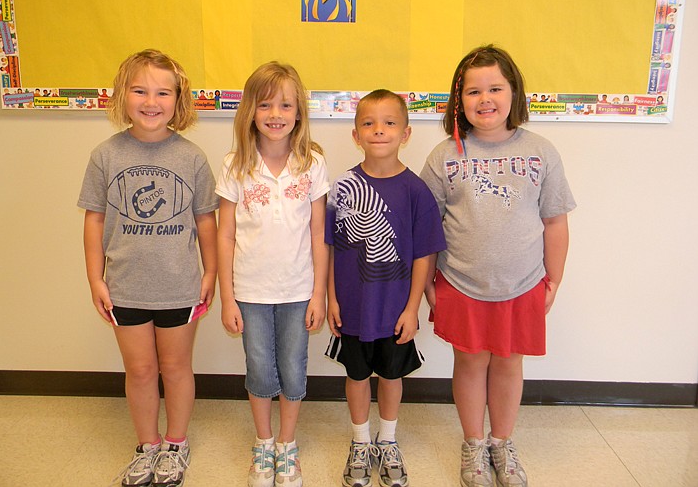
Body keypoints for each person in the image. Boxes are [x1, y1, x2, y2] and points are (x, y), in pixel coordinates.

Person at [420, 45, 576, 487]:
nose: (484, 99)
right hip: (459, 283)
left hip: (524, 282)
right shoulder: (443, 155)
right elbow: (427, 226)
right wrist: (429, 282)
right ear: (458, 99)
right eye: (473, 91)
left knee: (508, 364)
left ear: (514, 93)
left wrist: (555, 278)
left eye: (494, 88)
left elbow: (555, 220)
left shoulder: (540, 150)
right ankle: (473, 444)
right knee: (469, 364)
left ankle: (501, 444)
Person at [78, 49, 218, 487]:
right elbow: (95, 220)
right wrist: (95, 278)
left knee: (176, 368)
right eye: (140, 90)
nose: (151, 101)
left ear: (179, 100)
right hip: (125, 286)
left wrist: (210, 272)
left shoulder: (192, 157)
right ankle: (148, 445)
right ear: (122, 96)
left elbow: (206, 220)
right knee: (139, 370)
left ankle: (176, 443)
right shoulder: (106, 155)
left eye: (163, 92)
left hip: (179, 286)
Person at [216, 62, 329, 487]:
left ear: (299, 111)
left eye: (285, 104)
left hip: (299, 289)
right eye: (265, 104)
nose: (276, 113)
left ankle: (287, 444)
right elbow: (225, 236)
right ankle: (263, 444)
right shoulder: (235, 165)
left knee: (293, 369)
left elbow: (320, 233)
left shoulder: (312, 162)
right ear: (250, 110)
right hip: (250, 291)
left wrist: (319, 293)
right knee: (261, 369)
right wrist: (228, 298)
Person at [326, 89, 446, 487]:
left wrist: (412, 308)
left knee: (392, 376)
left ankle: (388, 439)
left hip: (396, 310)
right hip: (353, 308)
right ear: (355, 134)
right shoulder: (342, 188)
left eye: (390, 123)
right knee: (357, 375)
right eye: (368, 123)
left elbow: (424, 256)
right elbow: (327, 247)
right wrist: (330, 298)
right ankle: (361, 441)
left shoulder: (416, 191)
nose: (379, 130)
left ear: (406, 133)